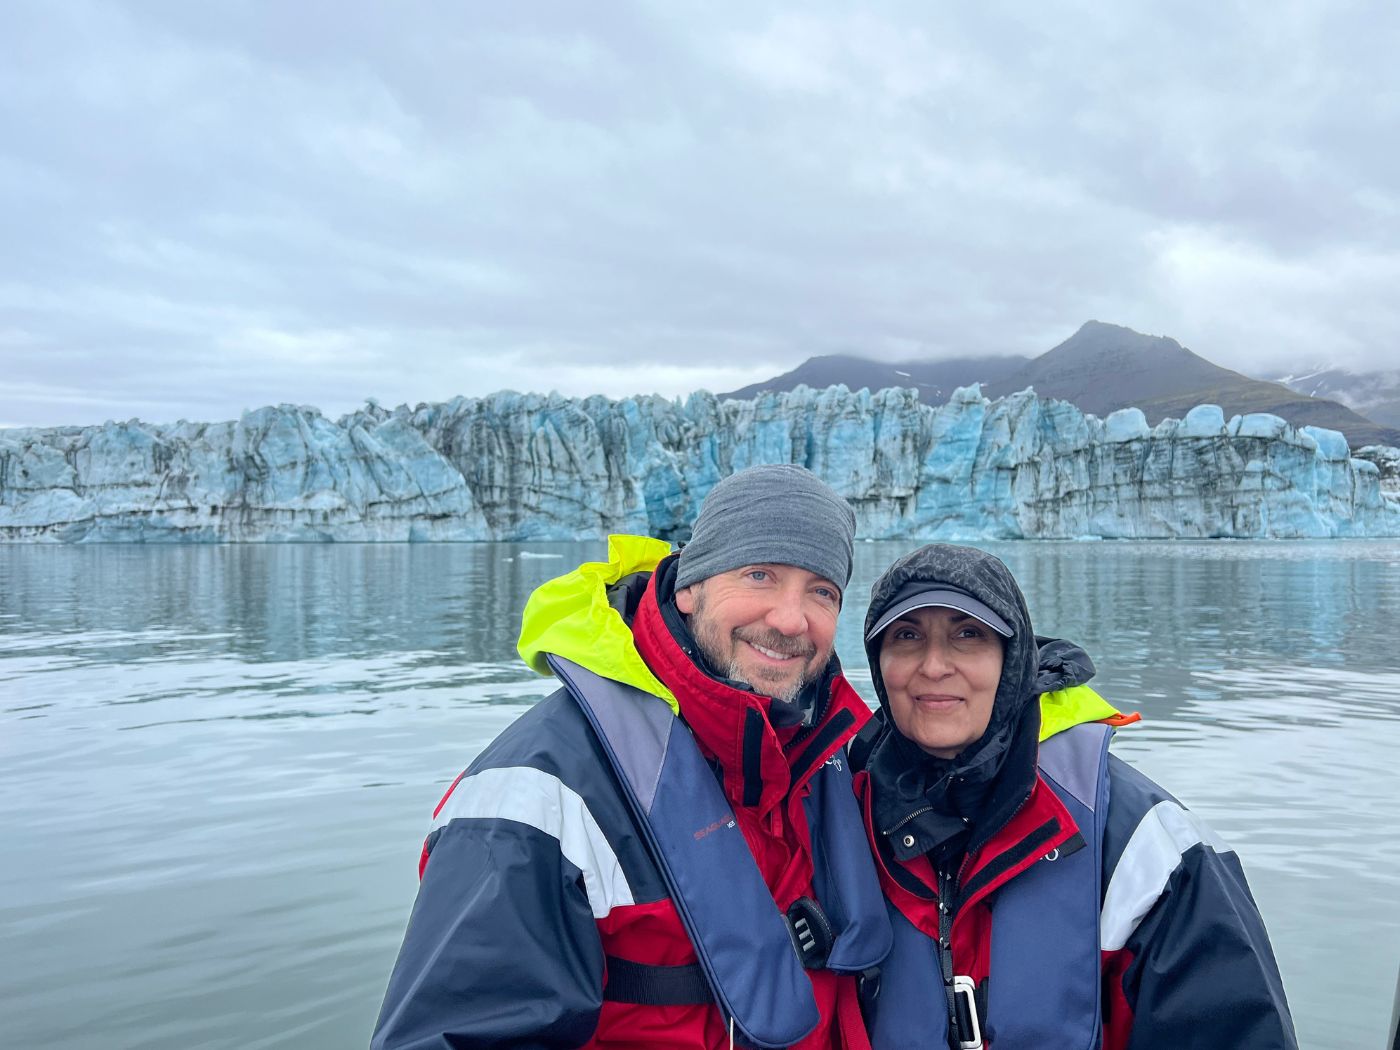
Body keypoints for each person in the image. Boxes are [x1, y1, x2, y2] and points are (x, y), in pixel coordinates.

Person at [371, 465, 892, 1050]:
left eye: (821, 591)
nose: (791, 618)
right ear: (690, 586)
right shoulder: (538, 795)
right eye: (760, 574)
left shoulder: (830, 756)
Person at [849, 543, 1297, 1050]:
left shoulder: (1141, 845)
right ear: (879, 662)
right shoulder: (842, 815)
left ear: (1012, 659)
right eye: (906, 636)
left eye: (968, 634)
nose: (933, 666)